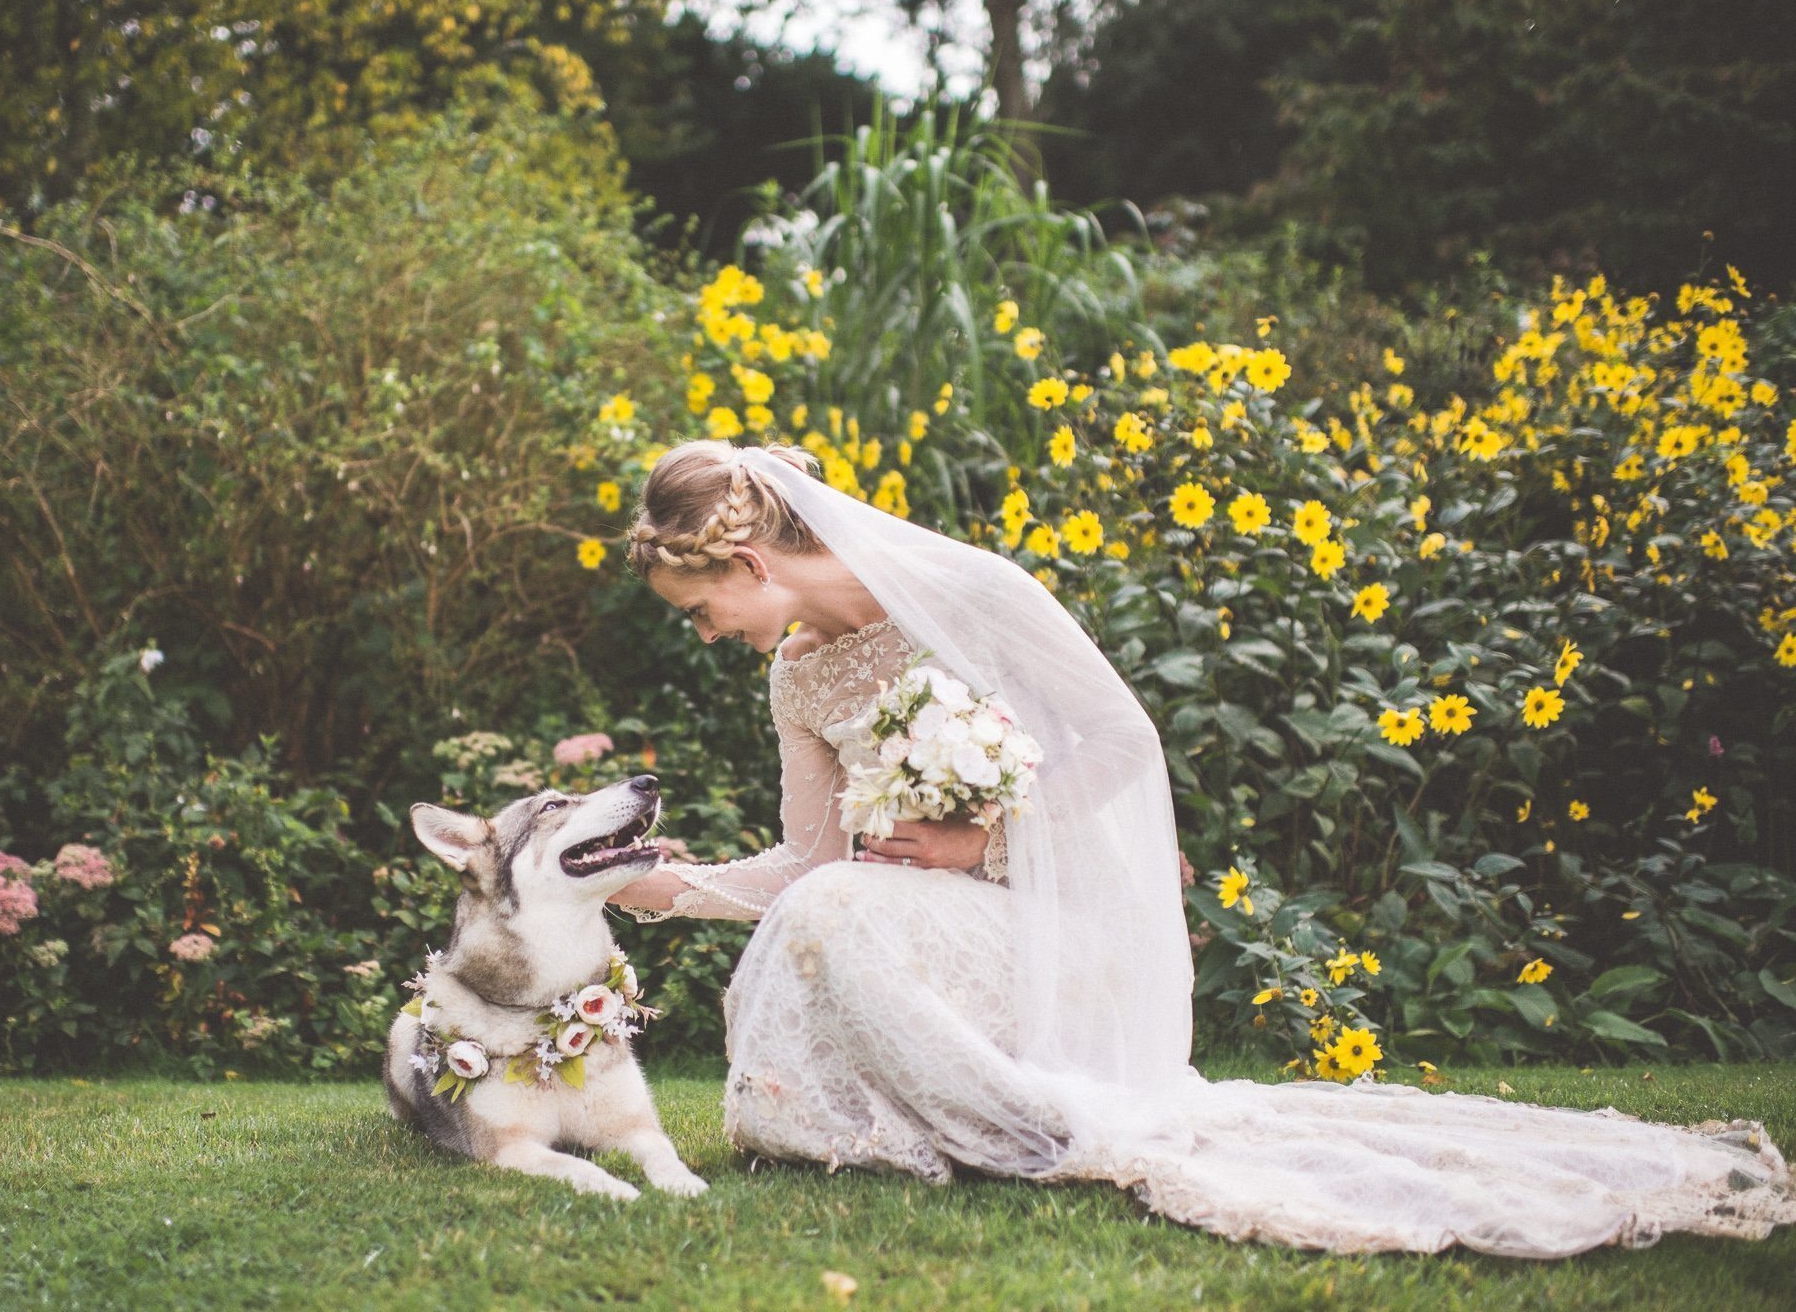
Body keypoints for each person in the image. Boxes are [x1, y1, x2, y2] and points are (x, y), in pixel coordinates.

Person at [608, 439, 1796, 1256]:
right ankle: (912, 1122)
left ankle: (1018, 1123)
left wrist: (982, 836)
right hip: (921, 929)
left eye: (700, 608)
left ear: (750, 563)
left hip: (1056, 930)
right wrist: (666, 888)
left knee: (839, 914)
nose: (707, 633)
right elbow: (808, 863)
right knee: (829, 909)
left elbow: (1120, 742)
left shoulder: (964, 593)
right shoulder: (796, 672)